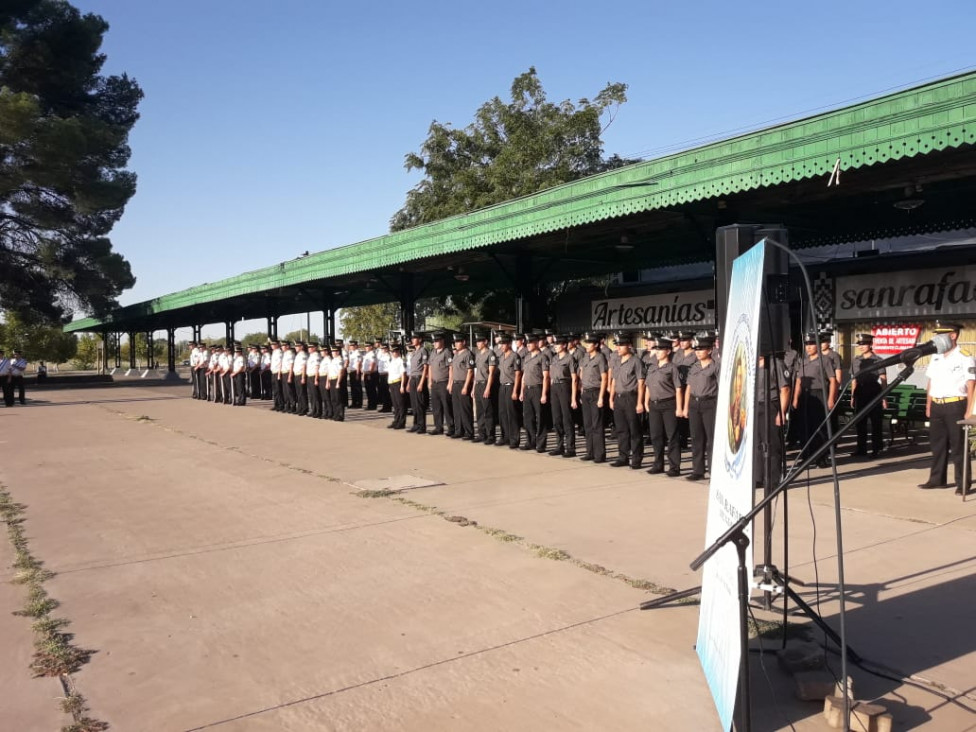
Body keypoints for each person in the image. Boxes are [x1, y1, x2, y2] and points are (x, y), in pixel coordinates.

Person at [920, 322, 975, 495]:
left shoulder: (965, 357)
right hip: (937, 404)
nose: (937, 338)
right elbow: (931, 381)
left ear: (953, 335)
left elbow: (971, 384)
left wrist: (970, 409)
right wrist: (929, 403)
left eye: (941, 334)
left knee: (958, 446)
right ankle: (937, 479)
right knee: (937, 445)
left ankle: (962, 483)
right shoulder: (936, 356)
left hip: (956, 404)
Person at [792, 332, 836, 468]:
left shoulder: (825, 360)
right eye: (806, 345)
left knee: (819, 428)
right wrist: (795, 398)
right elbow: (799, 381)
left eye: (811, 344)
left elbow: (833, 380)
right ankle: (806, 456)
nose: (808, 347)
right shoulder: (803, 361)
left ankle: (822, 457)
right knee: (805, 427)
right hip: (805, 396)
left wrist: (830, 398)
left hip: (819, 394)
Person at [643, 336, 683, 476]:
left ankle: (674, 467)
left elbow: (678, 389)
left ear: (667, 351)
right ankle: (658, 464)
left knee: (672, 436)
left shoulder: (672, 368)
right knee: (656, 436)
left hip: (668, 404)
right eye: (656, 349)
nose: (657, 352)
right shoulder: (652, 367)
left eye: (660, 349)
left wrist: (679, 407)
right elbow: (647, 386)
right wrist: (645, 401)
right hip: (654, 404)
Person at [681, 336, 719, 480]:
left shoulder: (716, 366)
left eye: (701, 349)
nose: (698, 352)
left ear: (709, 350)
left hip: (710, 403)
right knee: (696, 438)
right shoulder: (694, 367)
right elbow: (689, 387)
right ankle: (698, 470)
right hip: (694, 404)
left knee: (711, 438)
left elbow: (721, 386)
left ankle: (713, 471)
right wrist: (685, 407)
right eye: (696, 349)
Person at [608, 332, 645, 469]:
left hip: (631, 398)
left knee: (634, 430)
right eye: (617, 345)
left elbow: (641, 382)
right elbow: (614, 381)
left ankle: (636, 459)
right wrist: (611, 398)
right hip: (619, 398)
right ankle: (622, 457)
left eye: (621, 345)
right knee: (621, 430)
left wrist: (640, 402)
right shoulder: (617, 361)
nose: (618, 348)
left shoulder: (636, 361)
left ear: (629, 346)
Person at [755, 352, 791, 488]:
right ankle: (759, 477)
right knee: (757, 444)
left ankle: (773, 480)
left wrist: (781, 412)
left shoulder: (776, 364)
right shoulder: (751, 363)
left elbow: (785, 389)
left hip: (771, 405)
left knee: (772, 444)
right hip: (755, 406)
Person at [851, 333, 885, 457]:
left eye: (864, 344)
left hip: (873, 391)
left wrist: (884, 396)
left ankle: (876, 448)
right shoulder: (856, 360)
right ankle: (861, 449)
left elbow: (883, 378)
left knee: (876, 422)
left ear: (870, 344)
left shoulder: (878, 360)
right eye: (859, 344)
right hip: (860, 391)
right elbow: (854, 379)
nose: (861, 346)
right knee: (860, 422)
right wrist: (853, 396)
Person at [578, 332, 608, 463]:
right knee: (588, 424)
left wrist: (601, 397)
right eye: (587, 343)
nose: (587, 345)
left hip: (596, 392)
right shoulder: (585, 357)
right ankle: (589, 452)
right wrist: (581, 392)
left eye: (590, 343)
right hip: (586, 393)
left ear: (596, 345)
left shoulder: (600, 358)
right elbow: (582, 375)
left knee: (597, 425)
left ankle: (599, 454)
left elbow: (605, 378)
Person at [546, 335, 577, 457]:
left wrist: (574, 397)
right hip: (555, 387)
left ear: (564, 345)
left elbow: (574, 379)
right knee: (556, 418)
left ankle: (570, 448)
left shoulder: (570, 359)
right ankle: (559, 446)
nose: (556, 346)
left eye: (558, 344)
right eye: (555, 344)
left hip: (565, 387)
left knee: (567, 418)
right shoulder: (554, 359)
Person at [495, 333, 522, 449]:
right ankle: (505, 436)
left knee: (512, 413)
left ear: (509, 344)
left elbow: (517, 375)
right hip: (502, 387)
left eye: (504, 344)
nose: (502, 346)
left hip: (511, 386)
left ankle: (514, 439)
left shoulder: (515, 356)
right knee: (502, 413)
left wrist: (515, 391)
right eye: (501, 344)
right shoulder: (501, 357)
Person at [473, 332, 499, 444]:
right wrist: (473, 388)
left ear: (486, 342)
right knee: (479, 411)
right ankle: (481, 433)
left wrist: (488, 388)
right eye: (477, 341)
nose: (478, 343)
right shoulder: (478, 354)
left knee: (488, 411)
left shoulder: (490, 354)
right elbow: (476, 371)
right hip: (478, 384)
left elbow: (492, 373)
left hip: (485, 384)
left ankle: (490, 435)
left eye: (480, 341)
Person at [449, 334, 475, 440]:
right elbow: (453, 370)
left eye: (458, 341)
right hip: (455, 383)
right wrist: (451, 384)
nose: (456, 343)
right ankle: (459, 430)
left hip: (464, 384)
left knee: (465, 409)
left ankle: (469, 432)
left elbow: (470, 371)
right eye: (455, 342)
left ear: (464, 342)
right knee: (456, 409)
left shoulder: (468, 354)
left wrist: (466, 386)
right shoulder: (456, 354)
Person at [427, 332, 454, 436]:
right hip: (435, 383)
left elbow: (451, 368)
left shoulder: (447, 352)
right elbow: (430, 367)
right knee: (436, 407)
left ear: (442, 341)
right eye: (434, 341)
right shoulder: (433, 352)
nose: (435, 343)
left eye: (437, 341)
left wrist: (450, 383)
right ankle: (438, 427)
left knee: (446, 406)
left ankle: (451, 427)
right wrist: (429, 380)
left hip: (444, 383)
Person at [820, 331, 843, 434]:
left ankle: (832, 439)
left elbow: (838, 375)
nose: (821, 344)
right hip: (820, 387)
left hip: (831, 386)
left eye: (823, 342)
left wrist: (834, 393)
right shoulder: (817, 355)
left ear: (828, 342)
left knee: (831, 416)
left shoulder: (834, 356)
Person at [406, 332, 429, 433]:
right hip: (413, 379)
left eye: (415, 338)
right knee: (414, 404)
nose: (412, 340)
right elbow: (412, 369)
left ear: (420, 340)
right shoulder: (414, 352)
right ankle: (415, 424)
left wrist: (421, 383)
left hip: (420, 378)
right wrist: (409, 382)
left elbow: (425, 368)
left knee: (420, 403)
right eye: (412, 338)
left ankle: (422, 426)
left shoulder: (423, 351)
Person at [387, 344, 407, 429]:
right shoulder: (392, 361)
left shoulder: (400, 361)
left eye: (395, 351)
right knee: (395, 404)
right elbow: (390, 374)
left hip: (398, 383)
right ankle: (396, 420)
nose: (393, 353)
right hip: (392, 383)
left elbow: (403, 374)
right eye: (392, 352)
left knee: (400, 404)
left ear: (398, 352)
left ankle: (401, 422)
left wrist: (402, 385)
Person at [328, 343, 346, 421]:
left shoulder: (339, 360)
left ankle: (340, 415)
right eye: (332, 352)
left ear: (338, 352)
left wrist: (338, 382)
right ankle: (335, 414)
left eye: (334, 351)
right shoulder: (333, 360)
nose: (332, 353)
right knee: (333, 398)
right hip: (332, 379)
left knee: (339, 398)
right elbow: (330, 371)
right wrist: (328, 381)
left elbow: (340, 372)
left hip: (337, 380)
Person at [306, 343, 322, 418]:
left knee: (316, 395)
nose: (309, 348)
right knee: (311, 395)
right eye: (309, 347)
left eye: (311, 347)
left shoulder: (316, 356)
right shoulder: (311, 356)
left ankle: (318, 411)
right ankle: (313, 410)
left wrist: (316, 378)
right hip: (309, 376)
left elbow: (317, 367)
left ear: (315, 348)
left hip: (313, 376)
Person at [292, 342, 308, 416]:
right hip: (296, 375)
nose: (295, 348)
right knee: (298, 393)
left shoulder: (303, 355)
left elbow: (304, 366)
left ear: (301, 347)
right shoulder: (298, 355)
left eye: (297, 346)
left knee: (302, 393)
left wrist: (303, 377)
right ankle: (300, 408)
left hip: (301, 375)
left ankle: (304, 408)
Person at [376, 341, 392, 412]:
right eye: (382, 349)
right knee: (383, 391)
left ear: (387, 349)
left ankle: (388, 406)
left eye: (384, 348)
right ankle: (385, 406)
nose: (382, 350)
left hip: (386, 375)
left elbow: (390, 367)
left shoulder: (389, 356)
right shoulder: (381, 356)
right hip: (381, 375)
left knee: (387, 392)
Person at [347, 340, 363, 408]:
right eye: (350, 345)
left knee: (357, 388)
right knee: (353, 388)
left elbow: (359, 363)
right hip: (352, 371)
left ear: (356, 346)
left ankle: (358, 403)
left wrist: (357, 373)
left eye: (353, 345)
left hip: (356, 371)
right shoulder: (351, 353)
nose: (351, 347)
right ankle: (354, 402)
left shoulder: (358, 353)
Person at [281, 341, 296, 413]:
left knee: (290, 391)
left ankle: (293, 406)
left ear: (287, 346)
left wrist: (290, 376)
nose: (282, 347)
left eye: (283, 346)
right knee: (285, 391)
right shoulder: (285, 354)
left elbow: (291, 366)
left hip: (288, 373)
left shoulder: (290, 354)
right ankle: (287, 405)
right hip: (284, 373)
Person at [362, 340, 377, 410]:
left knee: (371, 390)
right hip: (367, 373)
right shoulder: (367, 354)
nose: (366, 347)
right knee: (368, 390)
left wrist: (369, 373)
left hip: (370, 373)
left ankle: (372, 405)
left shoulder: (372, 354)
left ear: (371, 347)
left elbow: (372, 364)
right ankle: (370, 404)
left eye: (367, 346)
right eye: (365, 346)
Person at [270, 341, 284, 411]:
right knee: (275, 390)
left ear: (277, 345)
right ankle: (276, 404)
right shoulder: (274, 352)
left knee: (278, 390)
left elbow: (280, 364)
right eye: (272, 344)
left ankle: (281, 405)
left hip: (277, 373)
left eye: (274, 344)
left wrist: (279, 374)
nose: (272, 345)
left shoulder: (279, 352)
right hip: (273, 372)